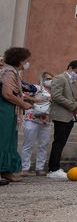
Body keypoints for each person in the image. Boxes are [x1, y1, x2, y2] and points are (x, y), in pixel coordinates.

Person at [47, 60, 77, 179]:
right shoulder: (60, 78)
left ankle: (55, 168)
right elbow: (56, 96)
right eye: (76, 72)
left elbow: (70, 97)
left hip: (69, 116)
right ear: (69, 68)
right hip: (61, 116)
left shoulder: (71, 81)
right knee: (58, 142)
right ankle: (53, 169)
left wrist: (76, 106)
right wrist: (73, 105)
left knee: (61, 142)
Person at [0, 47, 33, 183]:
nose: (27, 63)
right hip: (4, 108)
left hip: (10, 109)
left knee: (9, 140)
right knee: (3, 139)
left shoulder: (13, 72)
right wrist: (23, 103)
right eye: (26, 61)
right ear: (20, 60)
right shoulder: (9, 72)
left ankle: (7, 171)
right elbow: (7, 93)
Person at [20, 71, 54, 176]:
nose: (50, 81)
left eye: (52, 79)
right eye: (48, 78)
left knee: (43, 145)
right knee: (28, 144)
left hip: (46, 121)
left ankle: (40, 168)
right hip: (32, 119)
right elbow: (23, 95)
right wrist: (35, 100)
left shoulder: (54, 91)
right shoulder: (37, 88)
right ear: (42, 79)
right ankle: (24, 168)